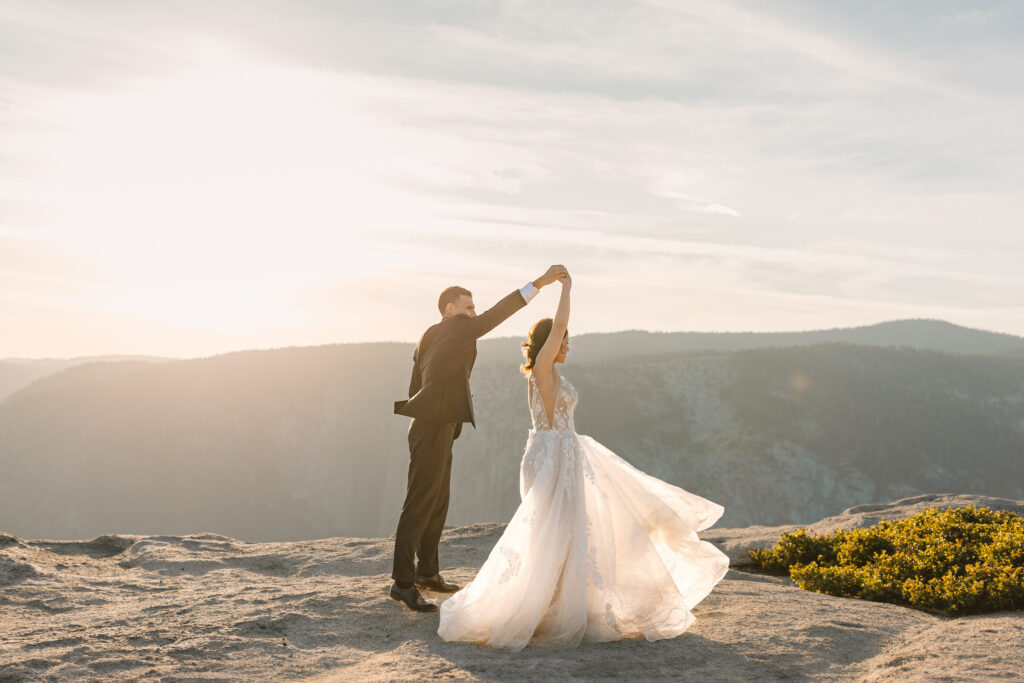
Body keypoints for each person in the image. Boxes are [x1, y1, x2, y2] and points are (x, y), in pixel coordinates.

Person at [437, 270, 729, 649]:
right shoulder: (541, 374)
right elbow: (558, 324)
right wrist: (565, 288)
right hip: (550, 458)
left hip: (568, 454)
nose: (567, 346)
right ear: (548, 345)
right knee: (549, 533)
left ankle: (559, 605)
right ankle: (537, 607)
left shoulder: (552, 373)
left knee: (574, 533)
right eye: (564, 342)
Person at [390, 265, 569, 612]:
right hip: (432, 424)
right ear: (449, 310)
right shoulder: (456, 329)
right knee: (419, 502)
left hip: (435, 423)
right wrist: (540, 284)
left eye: (473, 308)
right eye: (467, 307)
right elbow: (497, 315)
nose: (473, 313)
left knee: (437, 500)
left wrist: (432, 413)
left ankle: (427, 572)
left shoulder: (430, 335)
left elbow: (416, 381)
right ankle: (402, 582)